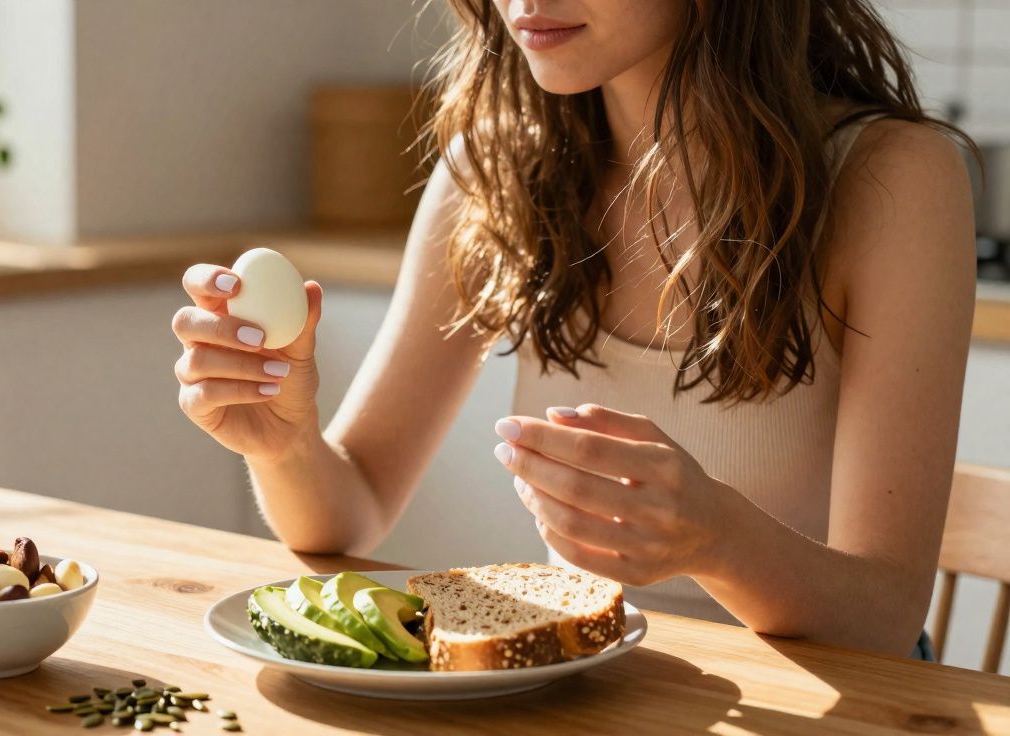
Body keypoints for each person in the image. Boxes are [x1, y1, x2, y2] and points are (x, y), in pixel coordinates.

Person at [170, 0, 975, 659]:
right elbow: (353, 509)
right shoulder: (494, 169)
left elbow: (883, 616)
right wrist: (285, 444)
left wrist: (718, 539)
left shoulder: (893, 179)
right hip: (603, 701)